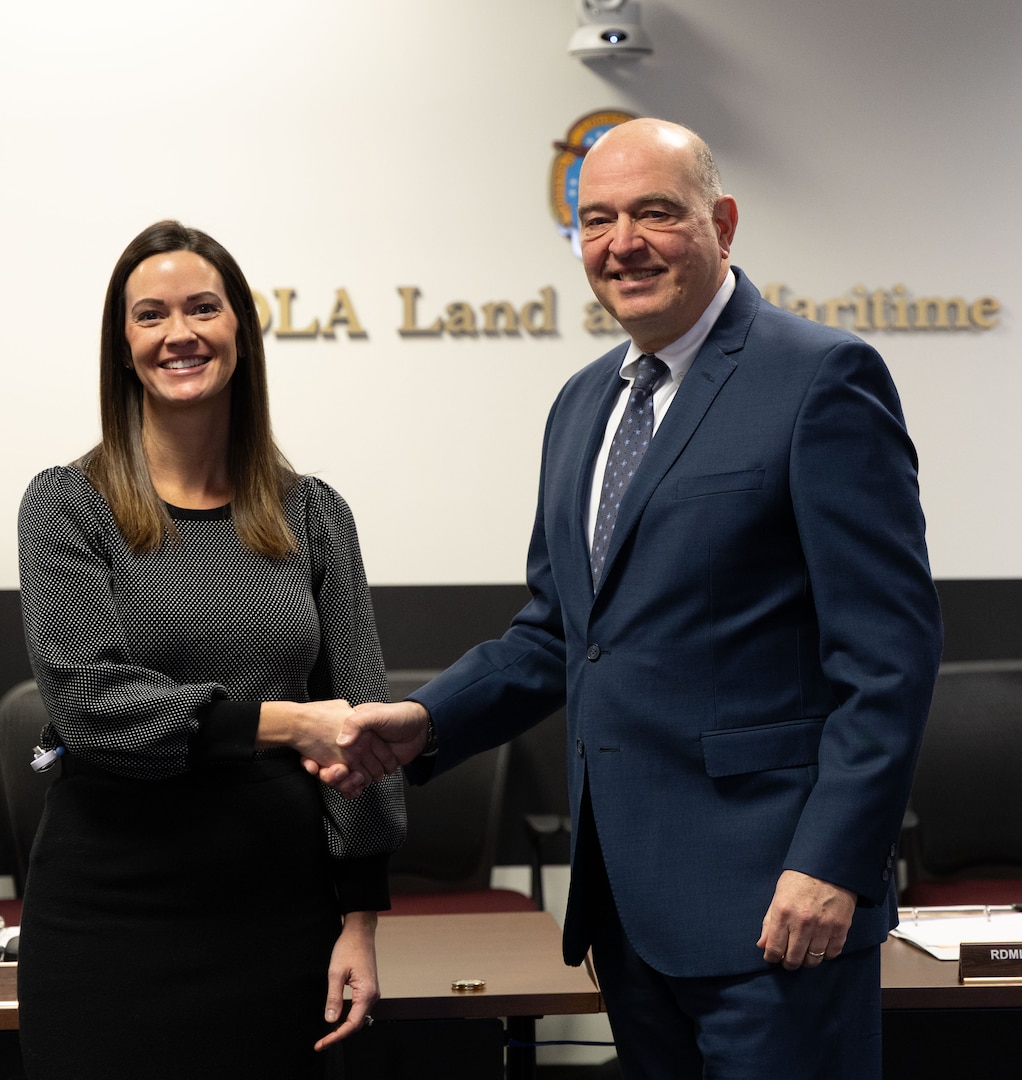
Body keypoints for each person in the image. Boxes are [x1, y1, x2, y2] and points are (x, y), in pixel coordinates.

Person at [316, 119, 943, 1078]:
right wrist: (425, 722)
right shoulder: (582, 405)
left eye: (656, 212)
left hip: (781, 907)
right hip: (628, 916)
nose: (623, 244)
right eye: (597, 220)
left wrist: (834, 864)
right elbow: (562, 633)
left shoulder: (820, 378)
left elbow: (888, 657)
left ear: (722, 223)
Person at [16, 220, 405, 1080]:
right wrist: (288, 723)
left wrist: (361, 919)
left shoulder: (313, 515)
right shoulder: (66, 506)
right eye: (150, 315)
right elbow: (89, 704)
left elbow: (364, 724)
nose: (179, 333)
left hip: (279, 911)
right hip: (108, 909)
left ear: (240, 331)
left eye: (203, 308)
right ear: (124, 346)